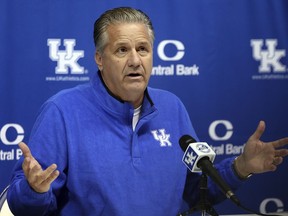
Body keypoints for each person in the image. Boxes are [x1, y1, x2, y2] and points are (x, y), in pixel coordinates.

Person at [7, 7, 288, 216]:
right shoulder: (62, 110)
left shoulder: (172, 107)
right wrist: (34, 190)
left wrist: (242, 167)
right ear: (99, 59)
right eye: (121, 50)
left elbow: (196, 191)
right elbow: (21, 206)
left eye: (143, 49)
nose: (134, 60)